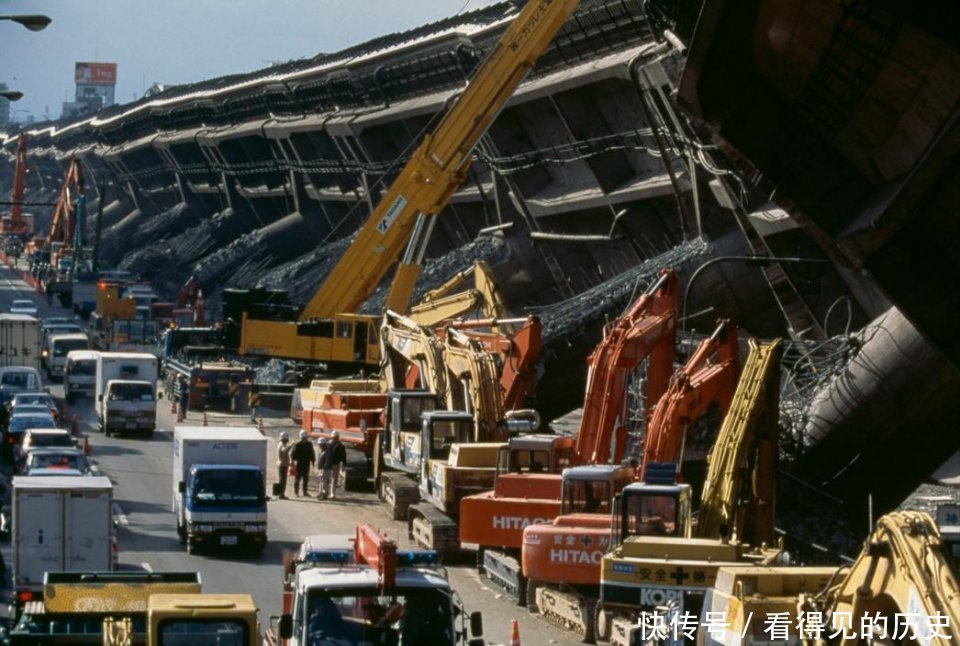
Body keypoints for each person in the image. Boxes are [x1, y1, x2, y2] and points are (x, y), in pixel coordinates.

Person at [321, 431, 347, 500]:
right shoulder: (327, 445)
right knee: (326, 479)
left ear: (338, 438)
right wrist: (322, 464)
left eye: (336, 438)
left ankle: (332, 494)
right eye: (333, 438)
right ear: (331, 437)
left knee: (334, 479)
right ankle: (325, 493)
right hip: (328, 464)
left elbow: (343, 456)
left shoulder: (341, 446)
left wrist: (344, 465)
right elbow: (323, 455)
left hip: (336, 464)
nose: (334, 439)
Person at [290, 430, 316, 496]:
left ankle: (305, 492)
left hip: (306, 463)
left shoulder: (309, 444)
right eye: (303, 438)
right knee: (297, 479)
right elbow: (292, 454)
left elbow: (312, 453)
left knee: (306, 479)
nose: (304, 439)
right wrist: (292, 462)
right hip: (299, 464)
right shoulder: (297, 445)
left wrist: (313, 461)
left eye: (305, 438)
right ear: (301, 438)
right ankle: (296, 492)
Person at [276, 431, 291, 499]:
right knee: (282, 480)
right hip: (282, 465)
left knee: (282, 479)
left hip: (283, 464)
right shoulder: (281, 444)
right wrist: (291, 445)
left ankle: (281, 493)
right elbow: (285, 450)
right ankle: (281, 494)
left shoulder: (282, 444)